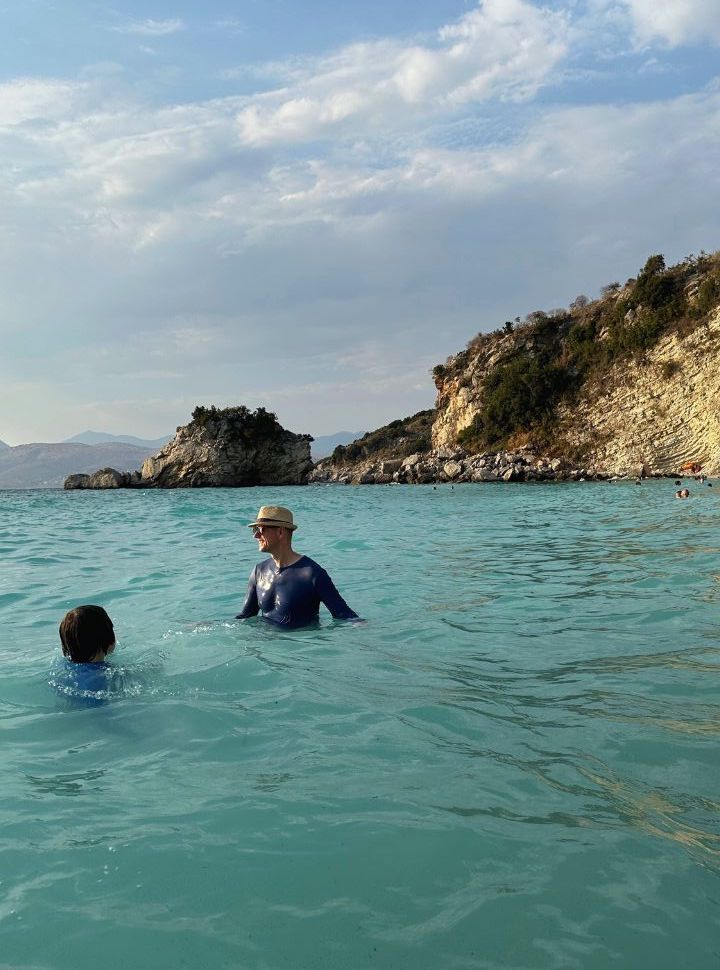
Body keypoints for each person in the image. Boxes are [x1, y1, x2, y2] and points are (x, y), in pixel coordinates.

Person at [236, 505, 359, 628]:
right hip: (267, 643)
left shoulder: (312, 574)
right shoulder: (259, 571)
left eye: (261, 530)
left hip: (300, 644)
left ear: (280, 532)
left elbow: (345, 616)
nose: (256, 536)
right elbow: (245, 617)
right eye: (254, 530)